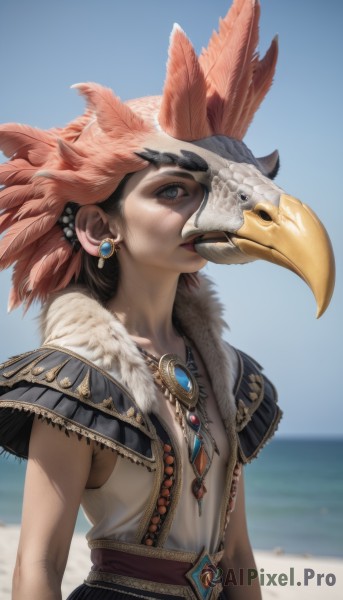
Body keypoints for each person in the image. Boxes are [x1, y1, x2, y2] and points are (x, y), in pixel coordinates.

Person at [0, 1, 335, 599]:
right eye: (173, 189)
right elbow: (38, 566)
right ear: (101, 229)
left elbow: (235, 556)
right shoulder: (75, 380)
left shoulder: (227, 373)